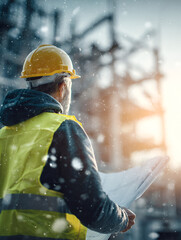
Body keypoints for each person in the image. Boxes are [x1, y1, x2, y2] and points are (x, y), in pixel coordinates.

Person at [0, 44, 135, 240]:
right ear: (63, 87)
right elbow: (92, 208)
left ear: (29, 84)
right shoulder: (64, 129)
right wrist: (121, 218)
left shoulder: (3, 135)